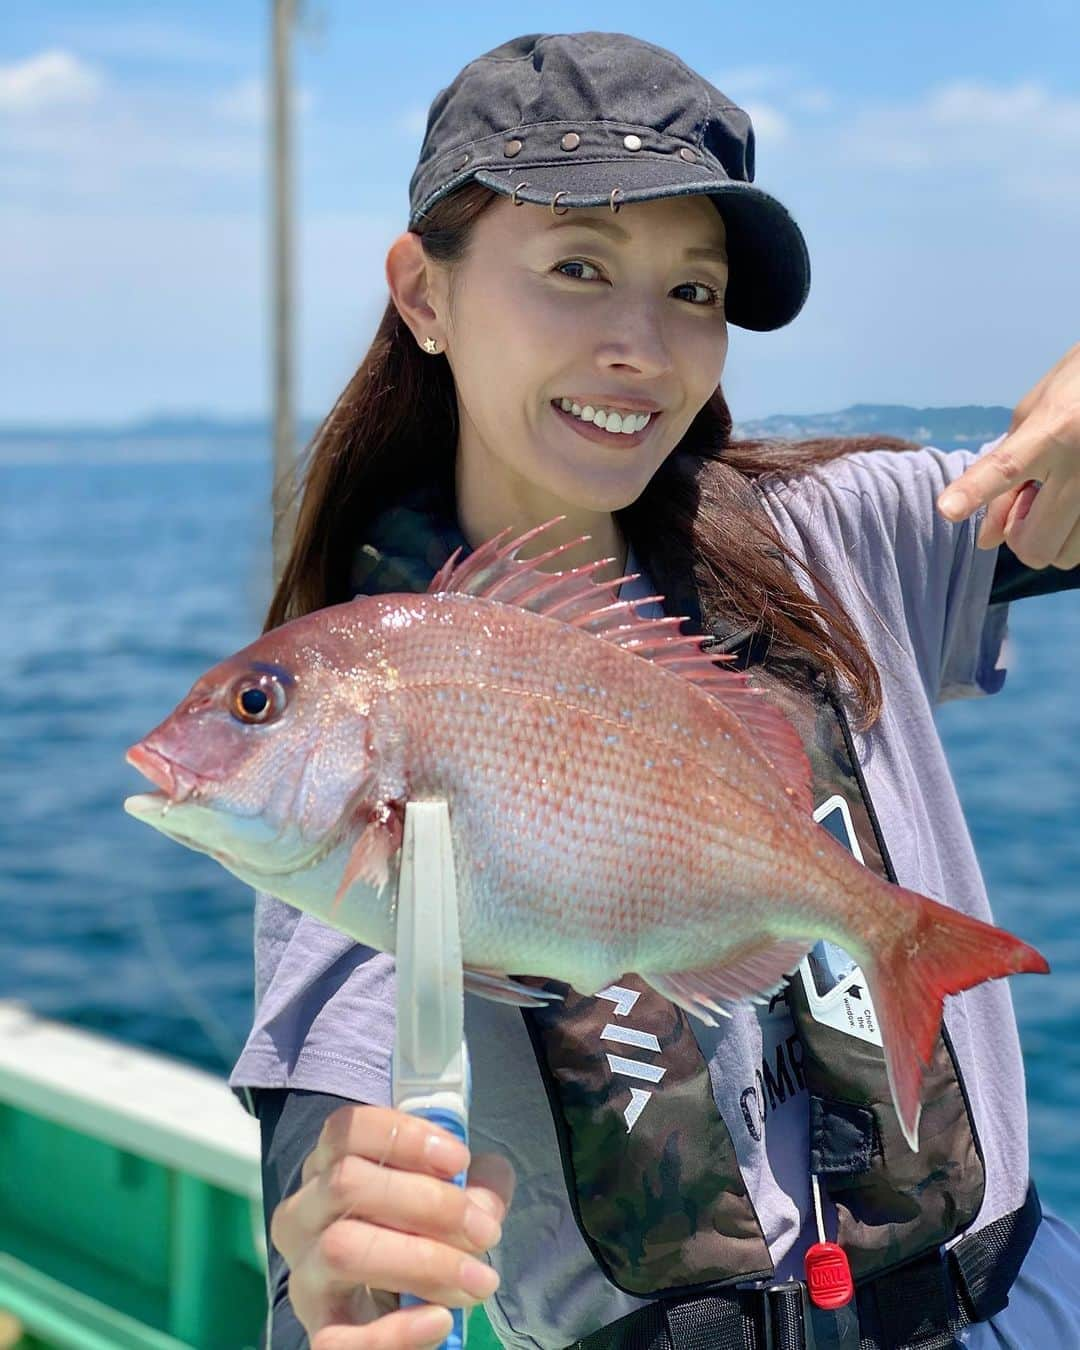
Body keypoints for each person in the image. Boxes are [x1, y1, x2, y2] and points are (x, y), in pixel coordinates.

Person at [227, 31, 1080, 1350]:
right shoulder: (372, 703)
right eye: (577, 269)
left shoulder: (839, 535)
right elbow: (336, 1135)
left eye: (693, 291)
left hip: (1019, 1302)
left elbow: (1053, 507)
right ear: (424, 293)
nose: (643, 344)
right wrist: (331, 1255)